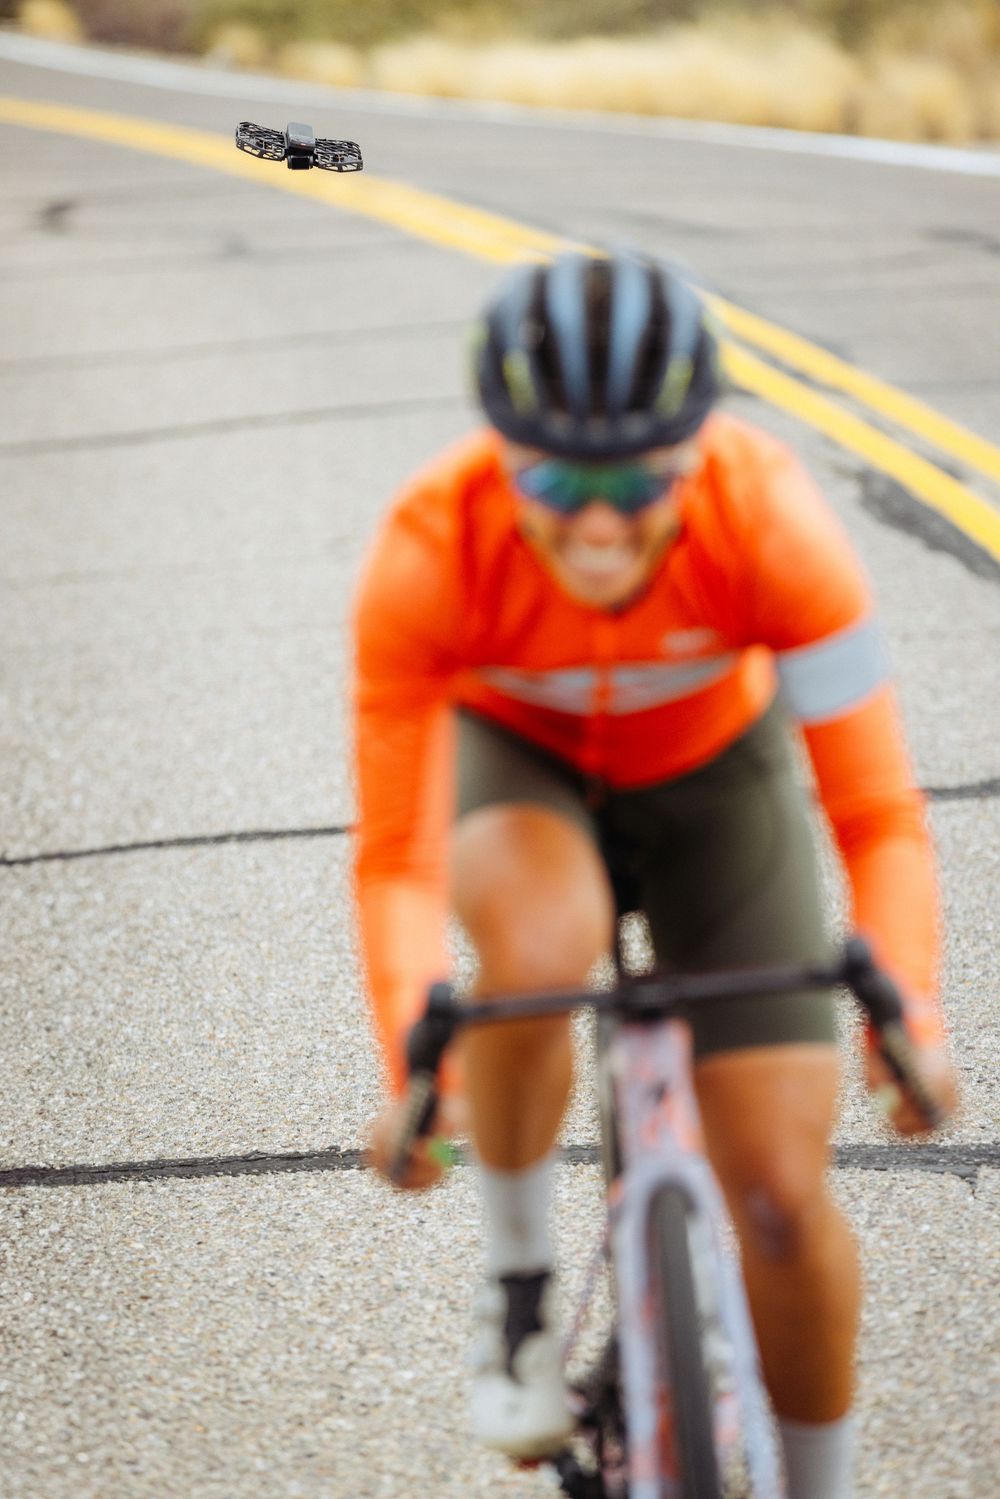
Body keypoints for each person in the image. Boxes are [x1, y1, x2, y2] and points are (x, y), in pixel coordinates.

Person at [354, 250, 957, 1499]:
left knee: (783, 1199)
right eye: (557, 477)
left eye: (636, 480)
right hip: (520, 772)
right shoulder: (428, 548)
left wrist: (911, 1014)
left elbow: (878, 814)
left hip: (710, 780)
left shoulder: (777, 523)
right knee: (534, 949)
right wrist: (415, 1056)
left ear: (697, 450)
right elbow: (400, 855)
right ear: (500, 453)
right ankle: (521, 1286)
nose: (595, 520)